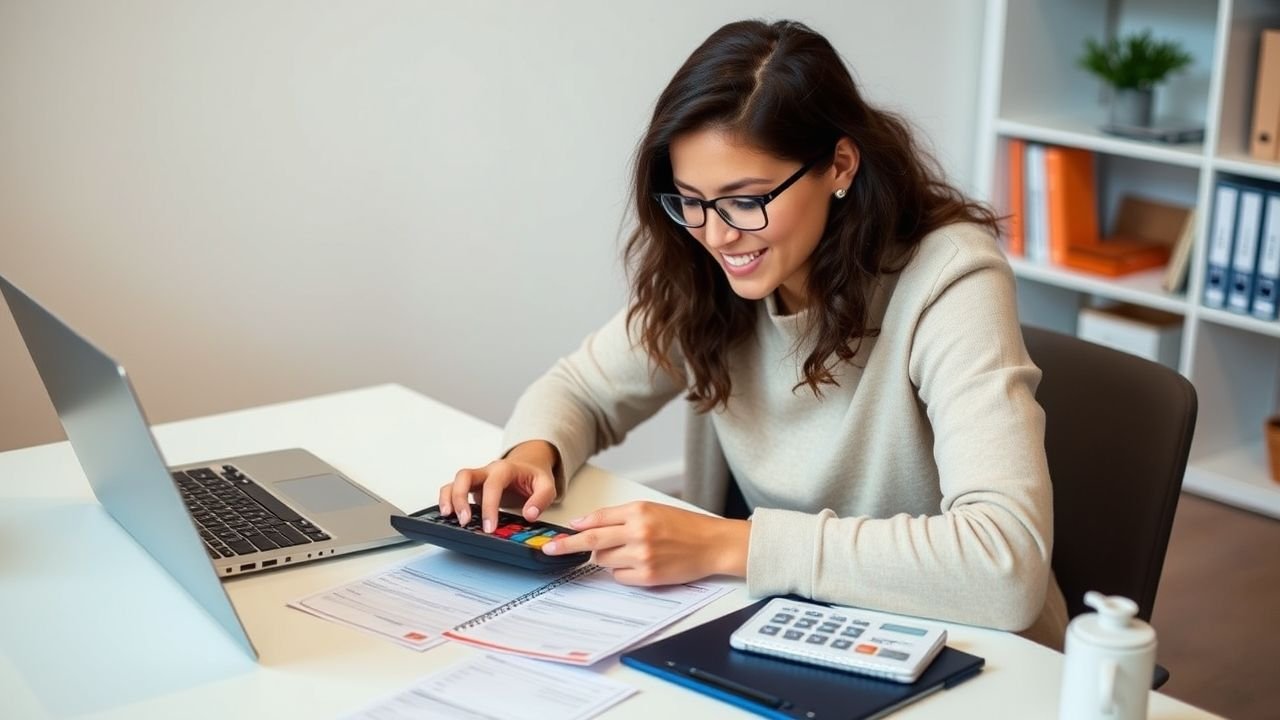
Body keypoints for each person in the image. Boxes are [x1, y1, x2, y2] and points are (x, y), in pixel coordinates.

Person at [437, 18, 1068, 648]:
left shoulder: (951, 277)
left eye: (746, 199)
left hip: (966, 648)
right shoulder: (711, 275)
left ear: (839, 166)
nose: (716, 235)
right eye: (690, 200)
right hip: (804, 626)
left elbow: (1003, 564)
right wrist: (531, 455)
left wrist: (729, 543)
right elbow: (580, 389)